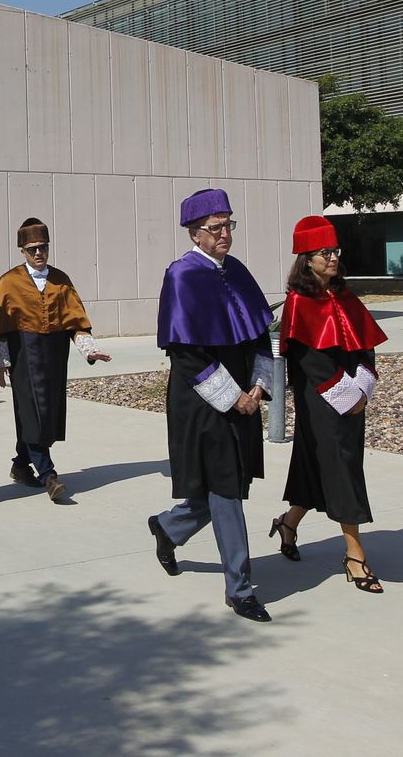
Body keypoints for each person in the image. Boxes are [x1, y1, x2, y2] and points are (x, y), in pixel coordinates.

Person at [146, 189, 276, 623]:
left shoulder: (236, 270)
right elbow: (186, 354)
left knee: (227, 484)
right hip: (203, 400)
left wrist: (258, 386)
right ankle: (240, 589)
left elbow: (259, 333)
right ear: (194, 233)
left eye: (228, 225)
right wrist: (233, 396)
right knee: (225, 488)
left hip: (245, 397)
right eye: (215, 227)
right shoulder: (182, 275)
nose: (224, 234)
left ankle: (168, 527)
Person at [270, 216, 388, 592]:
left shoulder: (345, 295)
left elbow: (365, 343)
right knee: (341, 466)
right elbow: (310, 361)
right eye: (325, 253)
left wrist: (363, 387)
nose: (333, 258)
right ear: (307, 260)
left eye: (335, 251)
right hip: (321, 398)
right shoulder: (299, 302)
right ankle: (355, 553)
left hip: (353, 395)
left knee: (317, 464)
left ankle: (288, 523)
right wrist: (347, 396)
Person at [0, 217, 110, 500]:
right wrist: (0, 363)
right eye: (32, 249)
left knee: (46, 413)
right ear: (22, 251)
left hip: (54, 356)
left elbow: (75, 321)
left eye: (43, 247)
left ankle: (20, 464)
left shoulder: (61, 280)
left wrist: (89, 349)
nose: (39, 253)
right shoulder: (8, 282)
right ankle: (48, 475)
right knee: (32, 413)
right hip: (23, 355)